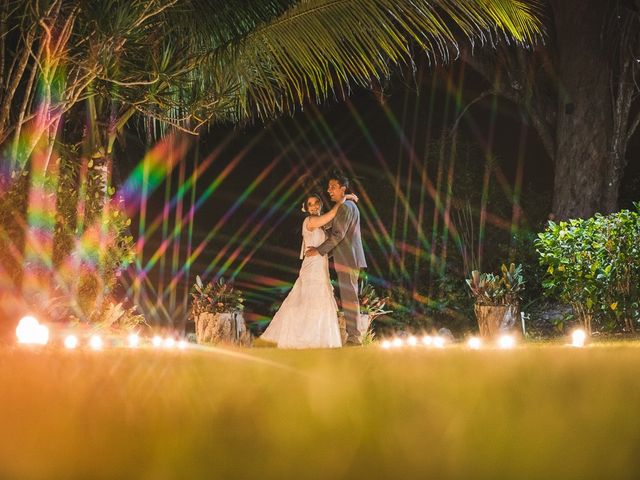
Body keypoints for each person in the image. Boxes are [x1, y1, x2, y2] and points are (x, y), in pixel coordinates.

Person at [260, 192, 358, 348]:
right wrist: (344, 199)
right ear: (306, 208)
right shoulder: (310, 220)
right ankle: (303, 337)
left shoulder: (322, 226)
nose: (313, 206)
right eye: (310, 204)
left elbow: (333, 237)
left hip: (321, 266)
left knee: (319, 299)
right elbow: (333, 213)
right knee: (310, 299)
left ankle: (319, 339)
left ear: (320, 204)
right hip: (312, 266)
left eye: (316, 203)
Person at [306, 174, 367, 346]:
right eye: (328, 187)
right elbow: (338, 233)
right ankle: (353, 336)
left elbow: (338, 235)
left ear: (343, 188)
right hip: (348, 257)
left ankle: (354, 337)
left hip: (348, 259)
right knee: (349, 296)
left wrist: (319, 251)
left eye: (332, 187)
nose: (328, 190)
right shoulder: (346, 206)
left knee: (349, 298)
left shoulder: (346, 207)